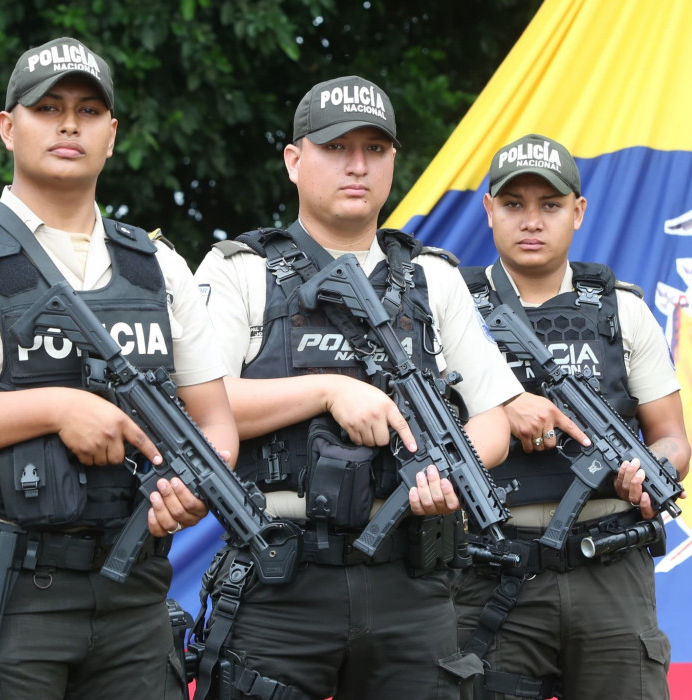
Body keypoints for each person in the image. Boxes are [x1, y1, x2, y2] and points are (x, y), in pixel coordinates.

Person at [0, 37, 237, 700]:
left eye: (89, 109)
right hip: (2, 601)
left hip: (135, 604)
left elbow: (215, 421)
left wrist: (194, 488)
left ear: (111, 134)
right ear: (9, 128)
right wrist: (56, 408)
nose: (69, 123)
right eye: (47, 107)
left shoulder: (158, 267)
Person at [191, 75, 523, 700]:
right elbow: (202, 404)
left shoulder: (433, 278)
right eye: (337, 148)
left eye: (374, 150)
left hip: (413, 579)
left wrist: (455, 473)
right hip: (280, 573)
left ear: (393, 161)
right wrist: (327, 392)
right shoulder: (241, 269)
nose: (357, 166)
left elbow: (494, 418)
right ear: (294, 160)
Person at [457, 133, 691, 699]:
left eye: (551, 205)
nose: (531, 221)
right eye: (513, 205)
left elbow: (673, 440)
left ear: (578, 212)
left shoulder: (623, 310)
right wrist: (502, 409)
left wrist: (650, 471)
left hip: (609, 562)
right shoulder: (450, 309)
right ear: (489, 210)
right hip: (491, 565)